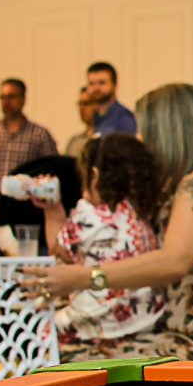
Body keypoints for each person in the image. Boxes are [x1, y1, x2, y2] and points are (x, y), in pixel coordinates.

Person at [22, 84, 193, 361]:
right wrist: (54, 210)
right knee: (59, 352)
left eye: (144, 131)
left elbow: (174, 261)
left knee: (60, 358)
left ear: (169, 134)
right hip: (190, 338)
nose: (139, 139)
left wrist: (84, 278)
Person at [33, 134, 165, 362]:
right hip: (143, 322)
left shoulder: (89, 214)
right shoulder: (141, 217)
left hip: (99, 323)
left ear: (93, 176)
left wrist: (52, 210)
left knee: (37, 324)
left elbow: (60, 252)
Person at [87, 62, 137, 136]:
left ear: (114, 85)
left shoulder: (124, 118)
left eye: (101, 83)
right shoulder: (91, 118)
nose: (96, 88)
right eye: (91, 83)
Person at [64, 88, 97, 158]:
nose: (81, 108)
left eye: (85, 103)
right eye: (79, 104)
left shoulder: (105, 138)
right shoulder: (74, 142)